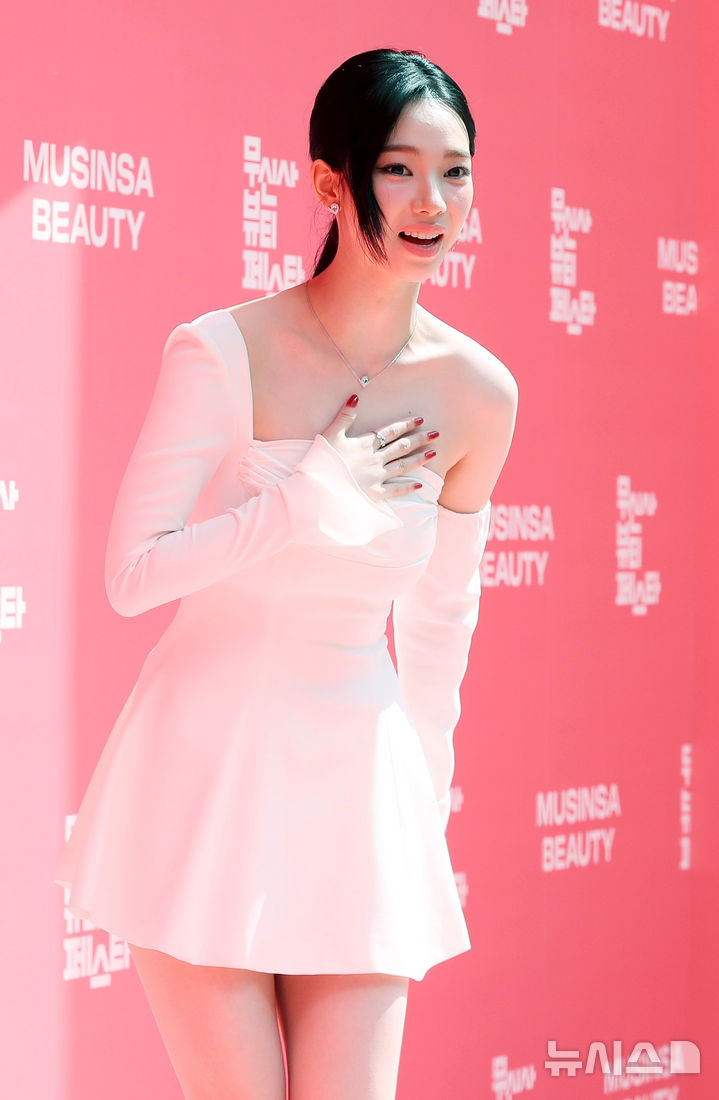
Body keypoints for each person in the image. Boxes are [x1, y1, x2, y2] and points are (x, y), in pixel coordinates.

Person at [54, 47, 518, 1100]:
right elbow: (133, 574)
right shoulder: (222, 350)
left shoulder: (478, 393)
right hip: (202, 774)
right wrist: (306, 496)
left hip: (357, 788)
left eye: (454, 172)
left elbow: (440, 623)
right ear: (328, 181)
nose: (432, 202)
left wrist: (420, 802)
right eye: (398, 169)